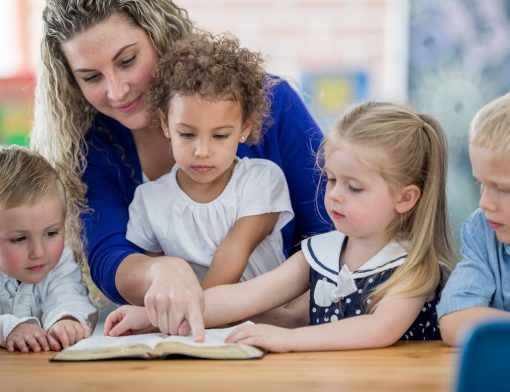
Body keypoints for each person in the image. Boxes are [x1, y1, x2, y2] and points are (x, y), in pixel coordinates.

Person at [32, 0, 330, 340]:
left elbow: (331, 229)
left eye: (127, 61)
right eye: (91, 77)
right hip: (185, 335)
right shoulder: (95, 145)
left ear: (160, 35)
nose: (117, 91)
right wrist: (160, 272)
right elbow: (108, 256)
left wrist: (279, 309)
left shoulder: (270, 104)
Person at [104, 101, 453, 353]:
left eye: (355, 187)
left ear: (405, 198)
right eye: (331, 179)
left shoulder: (412, 266)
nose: (335, 197)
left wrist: (287, 340)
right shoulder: (321, 253)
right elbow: (244, 296)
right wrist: (160, 315)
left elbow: (378, 329)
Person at [127, 32, 294, 292]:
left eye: (220, 136)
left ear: (244, 129)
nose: (202, 151)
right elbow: (157, 279)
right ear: (165, 124)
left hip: (263, 319)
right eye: (187, 134)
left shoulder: (262, 180)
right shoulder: (149, 200)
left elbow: (233, 252)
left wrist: (192, 309)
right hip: (195, 328)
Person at [0, 146, 97, 353]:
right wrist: (10, 328)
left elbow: (68, 295)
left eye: (51, 233)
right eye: (19, 238)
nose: (39, 252)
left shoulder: (60, 262)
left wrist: (66, 320)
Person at [437, 93, 510, 346]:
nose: (484, 203)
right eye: (481, 183)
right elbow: (454, 319)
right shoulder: (483, 230)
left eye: (503, 188)